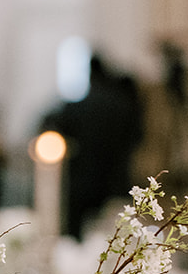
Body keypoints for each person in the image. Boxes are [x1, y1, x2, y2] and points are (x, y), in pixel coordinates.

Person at [42, 50, 144, 237]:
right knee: (112, 237)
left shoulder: (80, 105)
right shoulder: (124, 105)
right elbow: (138, 138)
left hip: (82, 179)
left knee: (76, 236)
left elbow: (51, 124)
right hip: (115, 179)